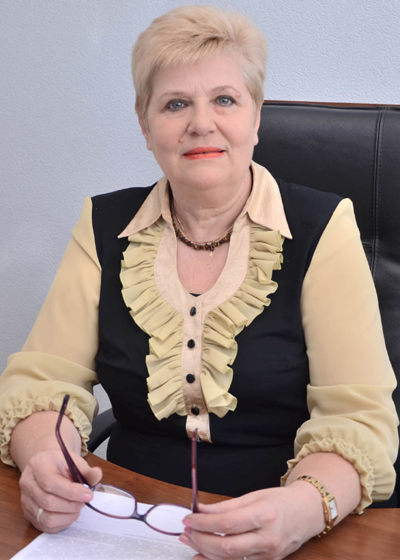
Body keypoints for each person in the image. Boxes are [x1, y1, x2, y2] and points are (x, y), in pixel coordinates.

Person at [0, 5, 398, 559]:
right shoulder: (102, 225)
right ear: (146, 126)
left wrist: (304, 507)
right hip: (128, 522)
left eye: (225, 100)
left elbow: (358, 419)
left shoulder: (324, 228)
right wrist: (45, 459)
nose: (201, 123)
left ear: (256, 118)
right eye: (175, 103)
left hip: (286, 529)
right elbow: (45, 383)